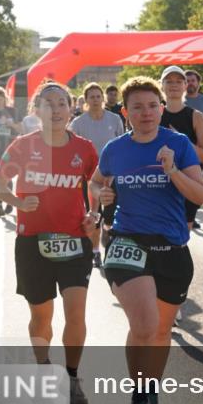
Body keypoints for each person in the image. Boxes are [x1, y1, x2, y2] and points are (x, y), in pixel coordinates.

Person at [90, 76, 203, 404]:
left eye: (152, 106)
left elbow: (200, 195)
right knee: (143, 325)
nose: (146, 113)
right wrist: (102, 195)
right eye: (137, 107)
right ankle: (139, 397)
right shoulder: (115, 149)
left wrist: (172, 171)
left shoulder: (179, 144)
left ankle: (150, 387)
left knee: (159, 331)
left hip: (171, 246)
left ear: (161, 108)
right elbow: (95, 183)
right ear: (125, 113)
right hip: (128, 242)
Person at [0, 80, 100, 404]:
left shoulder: (84, 149)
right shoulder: (23, 145)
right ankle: (41, 368)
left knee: (75, 311)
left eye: (62, 103)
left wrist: (94, 214)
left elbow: (97, 186)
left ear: (71, 108)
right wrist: (18, 203)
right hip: (32, 243)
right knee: (42, 318)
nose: (55, 109)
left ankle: (71, 377)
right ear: (36, 110)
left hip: (74, 242)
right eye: (48, 103)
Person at [69, 83, 126, 268]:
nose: (95, 100)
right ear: (85, 100)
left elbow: (122, 144)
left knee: (109, 216)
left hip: (111, 175)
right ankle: (95, 252)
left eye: (97, 96)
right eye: (91, 97)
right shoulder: (78, 123)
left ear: (102, 98)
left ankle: (107, 234)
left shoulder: (115, 119)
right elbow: (71, 149)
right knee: (93, 215)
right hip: (88, 177)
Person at [159, 66, 203, 233]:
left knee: (182, 234)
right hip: (160, 182)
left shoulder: (195, 116)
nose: (174, 85)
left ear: (185, 86)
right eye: (169, 81)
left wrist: (183, 141)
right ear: (162, 86)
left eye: (178, 81)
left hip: (189, 180)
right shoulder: (155, 114)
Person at [0, 86, 22, 216]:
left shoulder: (13, 112)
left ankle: (9, 202)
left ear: (5, 99)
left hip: (9, 148)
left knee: (7, 176)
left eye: (0, 100)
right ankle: (0, 204)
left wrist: (10, 124)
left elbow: (20, 129)